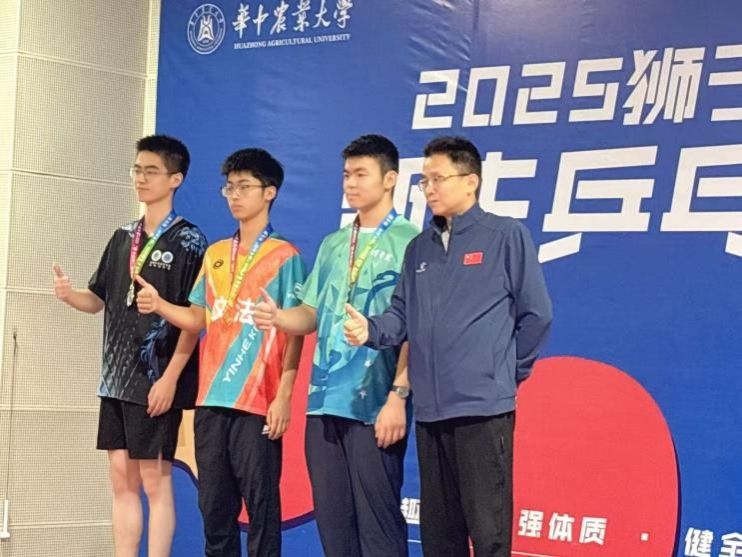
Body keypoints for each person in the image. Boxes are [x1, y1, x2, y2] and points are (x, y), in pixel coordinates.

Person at [344, 135, 553, 557]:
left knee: (489, 532)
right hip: (431, 412)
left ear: (470, 181)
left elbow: (537, 315)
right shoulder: (419, 248)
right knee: (440, 536)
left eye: (438, 179)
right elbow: (401, 315)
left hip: (482, 409)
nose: (429, 189)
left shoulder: (504, 236)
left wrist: (504, 373)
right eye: (424, 180)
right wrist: (371, 329)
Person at [253, 134, 418, 557]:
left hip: (374, 405)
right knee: (334, 527)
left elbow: (418, 329)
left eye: (361, 174)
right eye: (346, 175)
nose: (351, 183)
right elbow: (310, 313)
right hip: (324, 402)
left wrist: (399, 395)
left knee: (379, 530)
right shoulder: (333, 243)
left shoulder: (413, 242)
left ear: (390, 179)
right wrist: (279, 318)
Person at [135, 147, 305, 557]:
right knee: (214, 510)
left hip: (257, 403)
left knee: (262, 510)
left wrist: (283, 396)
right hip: (210, 401)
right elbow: (198, 318)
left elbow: (295, 332)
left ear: (269, 192)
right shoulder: (214, 254)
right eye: (229, 187)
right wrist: (160, 305)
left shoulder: (285, 257)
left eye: (244, 186)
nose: (235, 195)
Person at [53, 134, 207, 557]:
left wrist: (170, 380)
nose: (141, 178)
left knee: (155, 481)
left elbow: (195, 320)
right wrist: (70, 296)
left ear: (175, 179)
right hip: (115, 382)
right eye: (137, 169)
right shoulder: (123, 236)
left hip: (155, 381)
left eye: (151, 171)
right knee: (121, 478)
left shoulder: (190, 241)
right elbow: (98, 299)